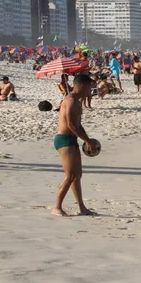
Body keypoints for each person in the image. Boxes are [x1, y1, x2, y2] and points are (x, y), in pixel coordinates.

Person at [51, 74, 99, 217]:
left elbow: (78, 124)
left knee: (77, 175)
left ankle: (82, 208)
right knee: (70, 175)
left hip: (72, 140)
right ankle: (57, 207)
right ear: (83, 86)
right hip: (64, 140)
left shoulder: (78, 102)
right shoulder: (71, 100)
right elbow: (71, 125)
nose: (90, 90)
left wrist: (87, 139)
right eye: (89, 87)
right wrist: (88, 141)